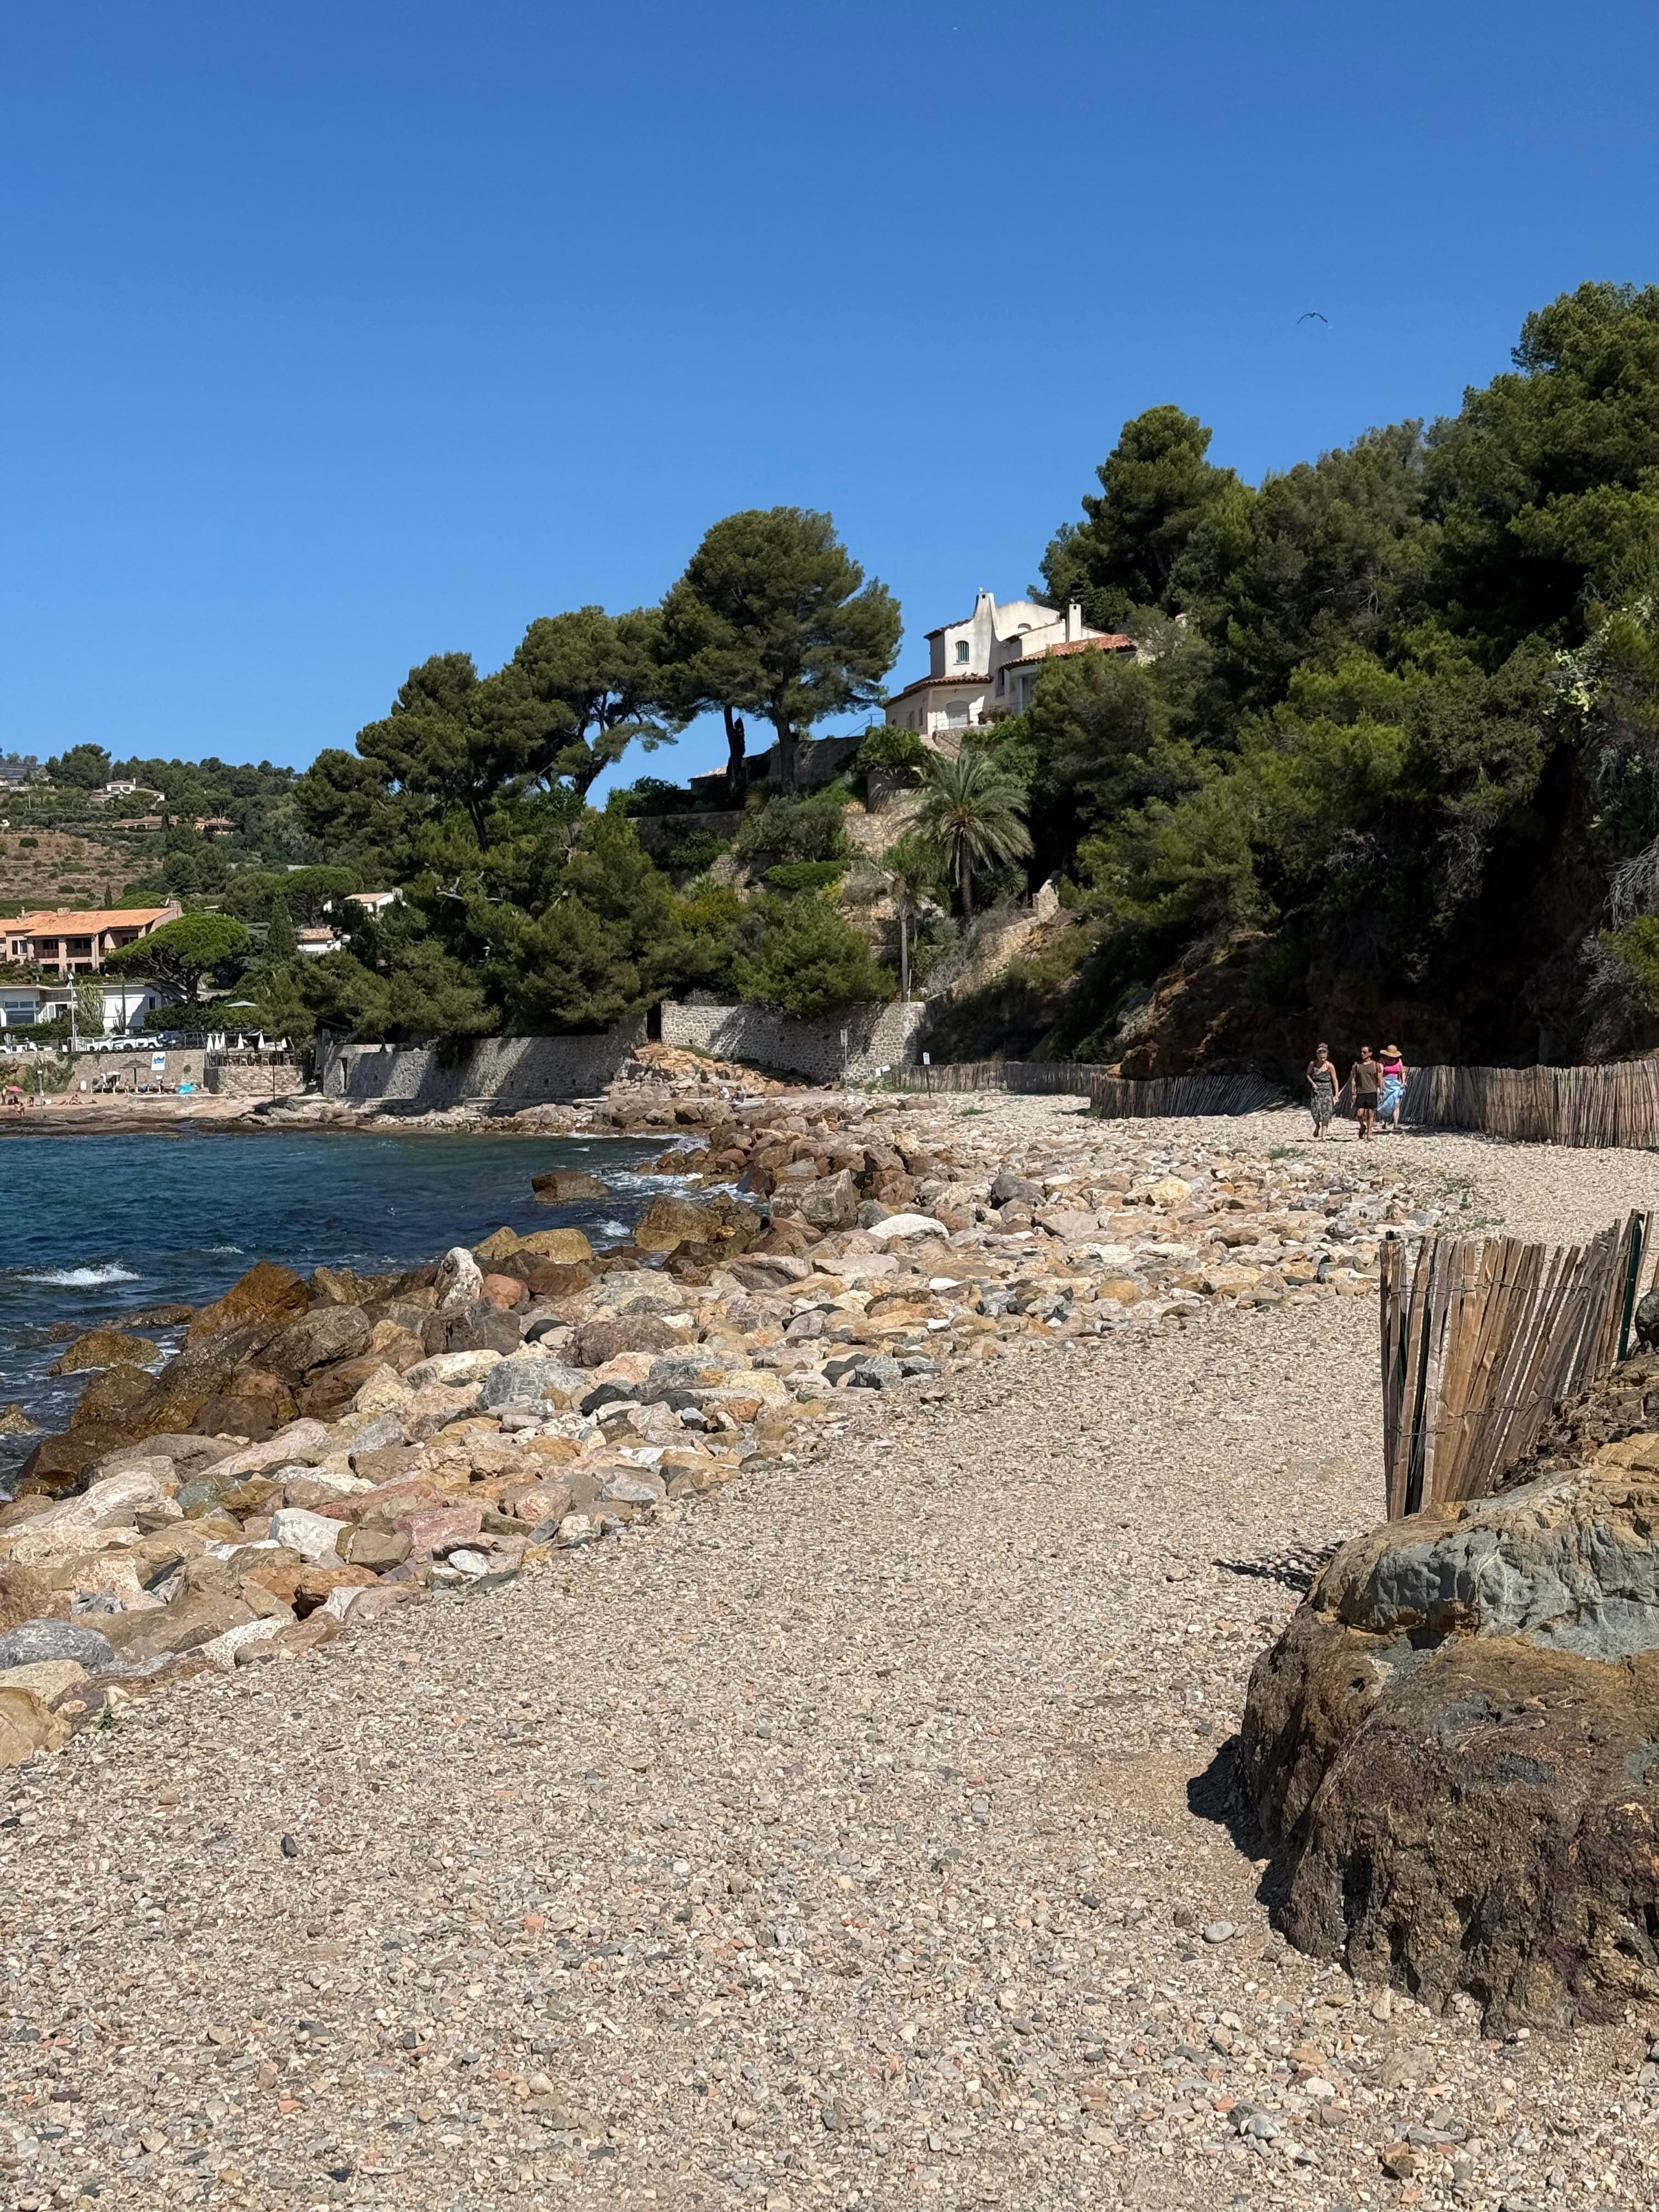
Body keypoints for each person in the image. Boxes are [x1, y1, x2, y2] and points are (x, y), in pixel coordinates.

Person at [1306, 1042, 1339, 1138]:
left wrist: (1336, 1094)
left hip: (1327, 1090)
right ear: (1318, 1055)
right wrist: (1313, 1083)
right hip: (1316, 1090)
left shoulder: (1330, 1066)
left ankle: (1323, 1136)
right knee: (1315, 1111)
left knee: (1327, 1112)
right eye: (1321, 1056)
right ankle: (1317, 1125)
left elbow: (1335, 1080)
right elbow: (1308, 1074)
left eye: (1324, 1056)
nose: (1323, 1058)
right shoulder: (1313, 1064)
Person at [1350, 1044, 1380, 1139]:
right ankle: (1362, 1126)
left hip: (1372, 1091)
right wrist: (1353, 1091)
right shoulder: (1357, 1065)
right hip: (1361, 1092)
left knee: (1371, 1113)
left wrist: (1381, 1091)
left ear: (1370, 1053)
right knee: (1360, 1113)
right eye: (1362, 1052)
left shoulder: (1375, 1065)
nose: (1362, 1054)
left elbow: (1379, 1079)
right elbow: (1354, 1079)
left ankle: (1369, 1133)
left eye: (1365, 1052)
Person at [1377, 1043, 1407, 1133]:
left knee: (1396, 1103)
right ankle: (1385, 1122)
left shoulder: (1399, 1060)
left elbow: (1402, 1072)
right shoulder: (1383, 1060)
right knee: (1386, 1103)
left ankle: (1396, 1123)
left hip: (1395, 1083)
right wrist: (1382, 1085)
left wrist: (1403, 1082)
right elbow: (1380, 1073)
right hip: (1386, 1082)